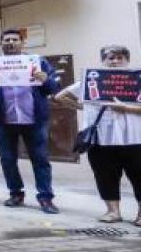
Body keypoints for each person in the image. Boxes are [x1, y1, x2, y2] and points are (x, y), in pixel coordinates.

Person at [54, 44, 141, 224]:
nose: (115, 61)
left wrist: (125, 108)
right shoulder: (92, 80)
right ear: (103, 61)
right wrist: (83, 107)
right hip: (101, 138)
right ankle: (113, 212)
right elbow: (60, 96)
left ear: (127, 60)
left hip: (135, 138)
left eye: (119, 57)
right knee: (105, 175)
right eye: (110, 58)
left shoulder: (137, 80)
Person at [0, 29, 61, 213]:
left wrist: (46, 80)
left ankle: (46, 198)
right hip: (3, 119)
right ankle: (16, 193)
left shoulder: (39, 62)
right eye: (6, 39)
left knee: (40, 159)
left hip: (34, 119)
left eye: (15, 39)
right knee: (7, 159)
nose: (11, 42)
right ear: (0, 44)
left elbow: (54, 88)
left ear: (23, 43)